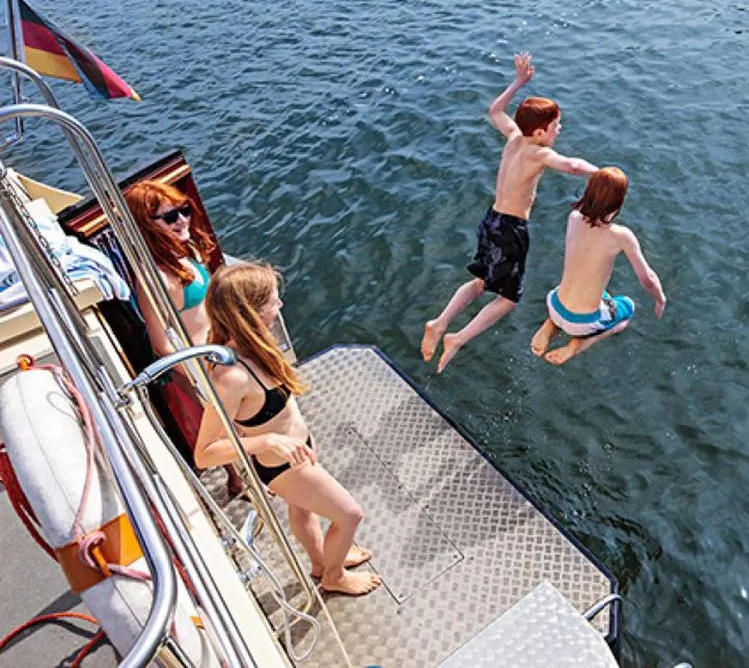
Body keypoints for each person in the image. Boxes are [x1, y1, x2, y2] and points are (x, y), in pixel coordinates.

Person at [196, 263, 382, 597]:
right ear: (249, 313)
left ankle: (320, 561)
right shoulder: (231, 377)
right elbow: (204, 453)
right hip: (282, 464)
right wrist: (267, 440)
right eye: (272, 302)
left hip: (299, 450)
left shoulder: (256, 348)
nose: (279, 307)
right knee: (350, 515)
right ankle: (334, 576)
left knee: (302, 509)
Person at [421, 52, 598, 373]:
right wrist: (600, 173)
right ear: (542, 132)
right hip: (511, 229)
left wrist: (518, 82)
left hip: (491, 220)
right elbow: (571, 165)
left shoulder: (514, 136)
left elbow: (495, 110)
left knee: (479, 281)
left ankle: (440, 322)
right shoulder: (539, 153)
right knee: (508, 298)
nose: (560, 129)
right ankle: (458, 337)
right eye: (556, 125)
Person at [126, 180, 243, 496]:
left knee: (236, 418)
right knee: (221, 426)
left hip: (220, 349)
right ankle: (238, 477)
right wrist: (195, 376)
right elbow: (160, 343)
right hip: (199, 364)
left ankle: (241, 476)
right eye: (169, 217)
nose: (181, 220)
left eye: (183, 210)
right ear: (146, 227)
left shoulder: (186, 252)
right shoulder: (157, 280)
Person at [530, 167, 666, 365]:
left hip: (554, 303)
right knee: (627, 309)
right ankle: (576, 346)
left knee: (592, 288)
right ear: (618, 202)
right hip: (582, 324)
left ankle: (551, 325)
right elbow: (648, 279)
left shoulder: (574, 217)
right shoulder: (621, 236)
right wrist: (660, 300)